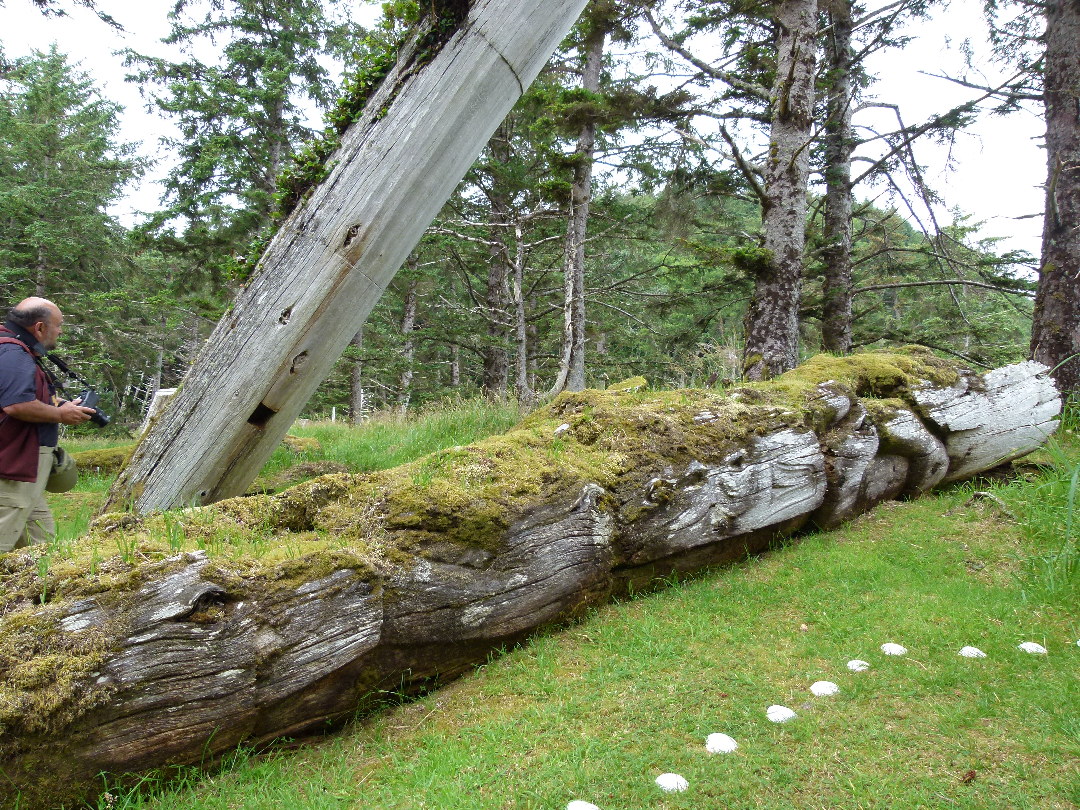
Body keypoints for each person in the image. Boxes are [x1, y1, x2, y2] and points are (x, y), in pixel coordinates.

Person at [0, 297, 95, 553]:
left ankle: (34, 593)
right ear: (40, 327)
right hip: (11, 471)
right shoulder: (13, 354)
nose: (60, 331)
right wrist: (61, 415)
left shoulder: (13, 349)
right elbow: (16, 405)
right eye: (58, 325)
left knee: (39, 547)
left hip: (21, 470)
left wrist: (59, 404)